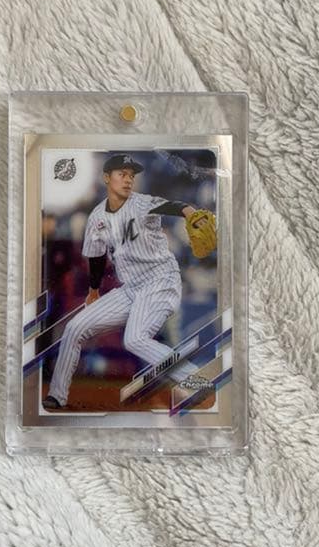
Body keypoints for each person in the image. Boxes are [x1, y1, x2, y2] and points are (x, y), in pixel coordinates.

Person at [43, 153, 212, 409]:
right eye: (122, 174)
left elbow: (172, 206)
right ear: (106, 178)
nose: (128, 179)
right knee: (74, 327)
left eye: (131, 175)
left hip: (160, 281)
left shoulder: (142, 203)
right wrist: (94, 291)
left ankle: (195, 381)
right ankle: (56, 396)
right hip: (131, 289)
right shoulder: (97, 217)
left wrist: (189, 211)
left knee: (135, 339)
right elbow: (97, 257)